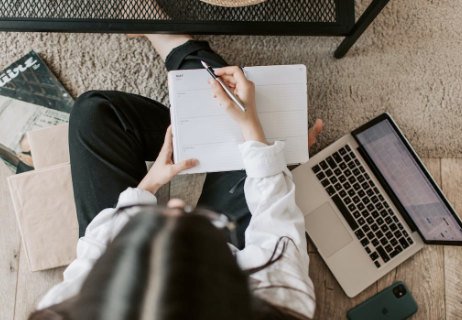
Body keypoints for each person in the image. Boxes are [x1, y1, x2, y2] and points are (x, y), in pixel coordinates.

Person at [29, 34, 325, 320]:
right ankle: (172, 41)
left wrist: (149, 185)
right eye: (199, 224)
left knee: (95, 112)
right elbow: (277, 226)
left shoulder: (64, 310)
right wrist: (256, 133)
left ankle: (184, 70)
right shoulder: (281, 300)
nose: (174, 204)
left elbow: (93, 251)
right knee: (264, 141)